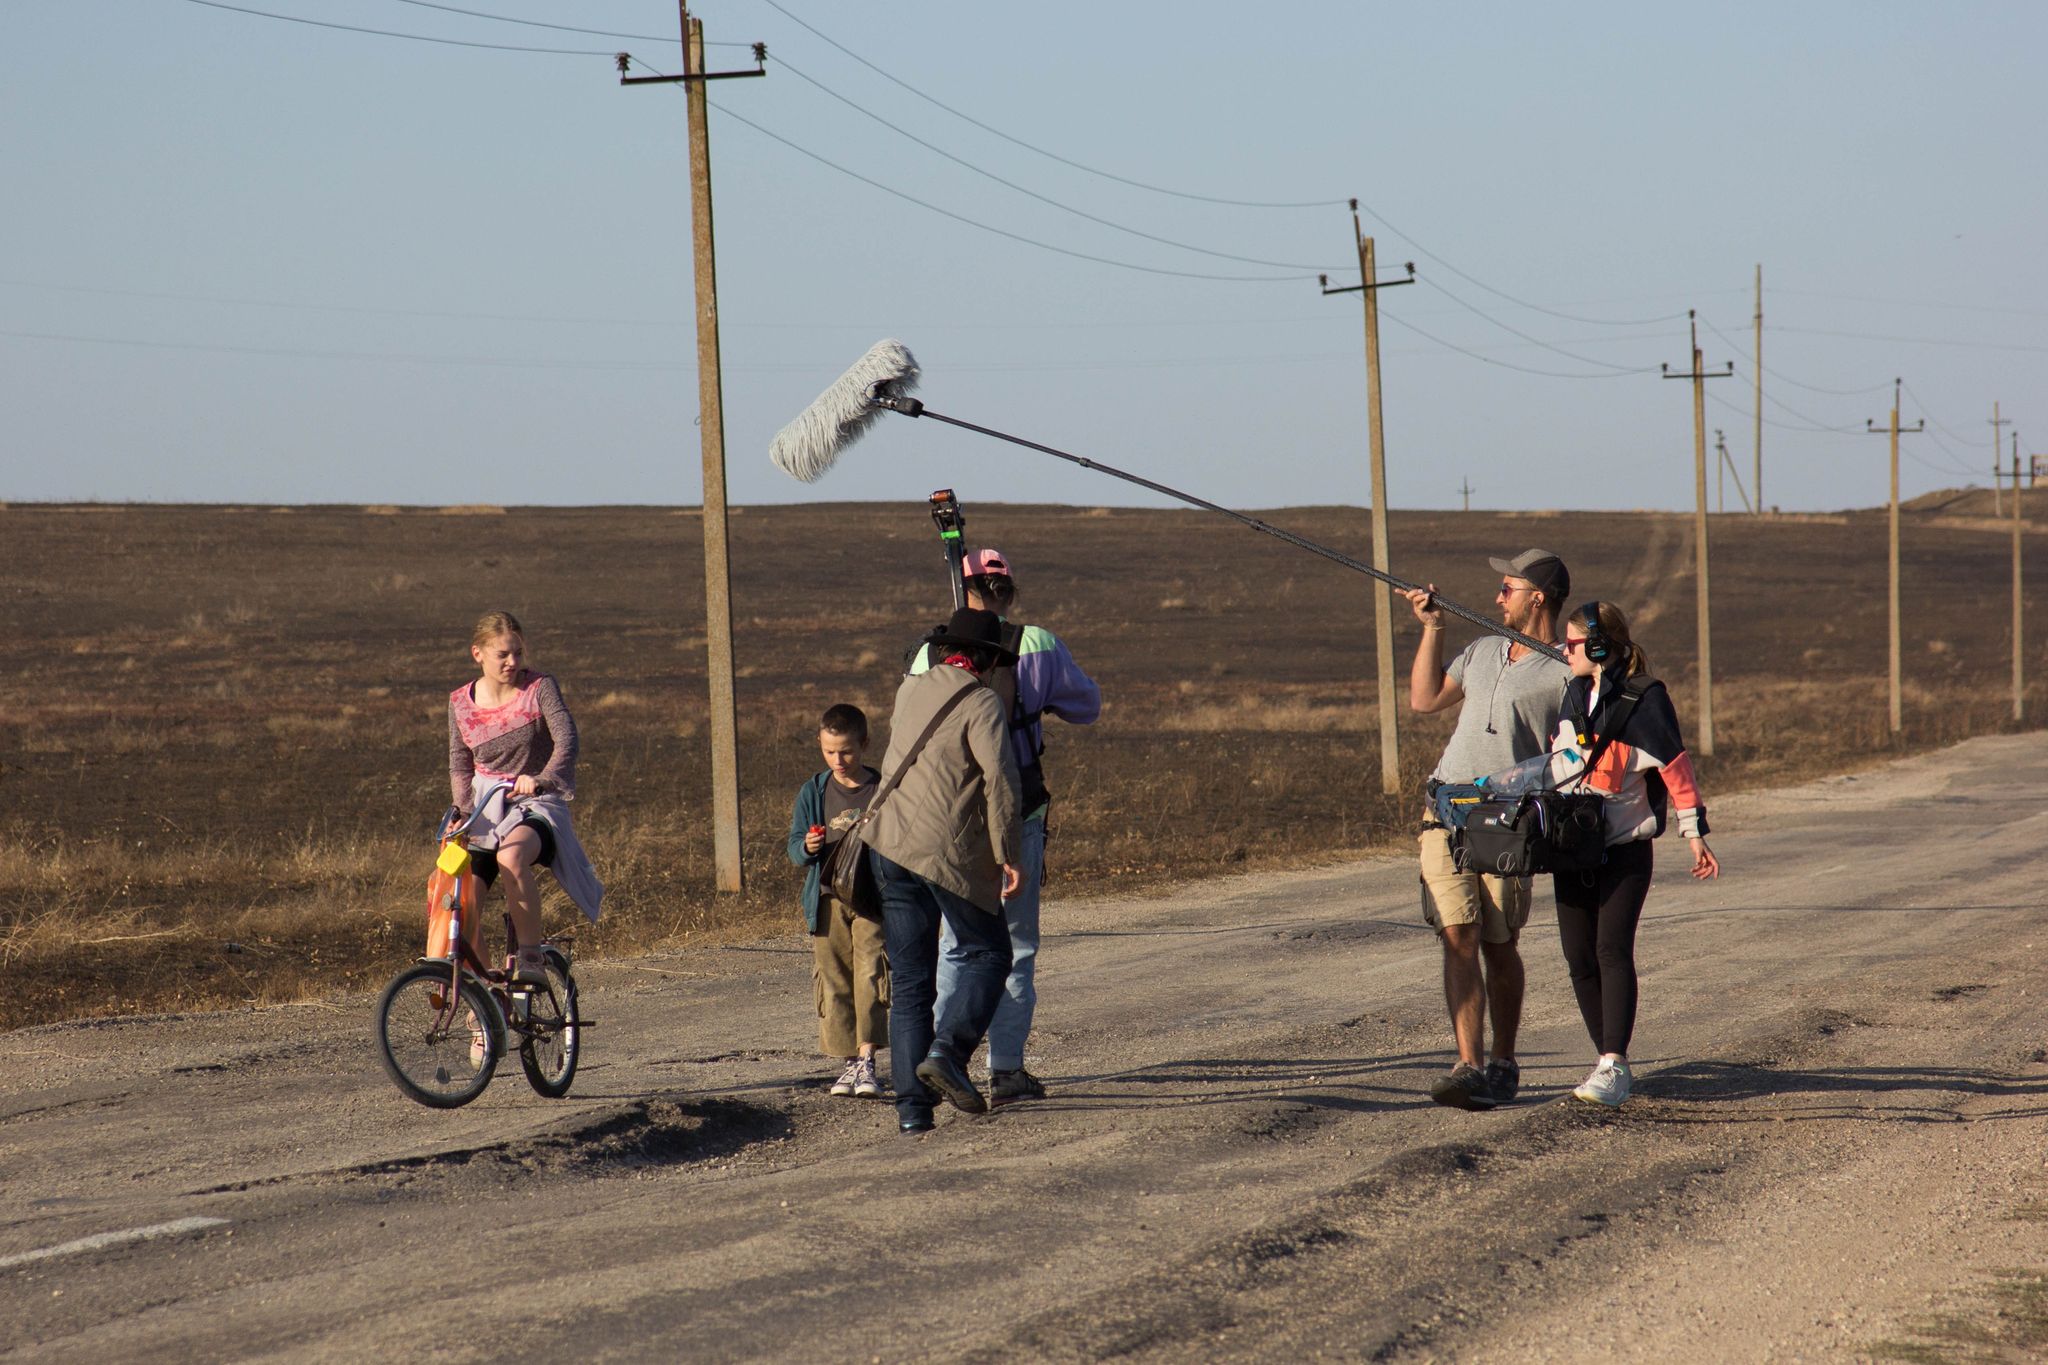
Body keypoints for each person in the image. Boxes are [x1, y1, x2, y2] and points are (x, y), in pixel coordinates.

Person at [913, 548, 1101, 1106]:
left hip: (947, 812)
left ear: (962, 590)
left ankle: (944, 1055)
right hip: (1018, 809)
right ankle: (1007, 1070)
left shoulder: (929, 653)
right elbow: (1087, 707)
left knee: (955, 943)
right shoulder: (1038, 644)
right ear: (1009, 592)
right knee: (1015, 944)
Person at [1401, 549, 1572, 1111]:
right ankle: (1467, 1065)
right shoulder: (1479, 649)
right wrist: (1433, 629)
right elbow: (1424, 700)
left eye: (1508, 588)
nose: (1498, 597)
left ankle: (1503, 1060)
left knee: (1500, 945)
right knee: (1458, 936)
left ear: (1537, 596)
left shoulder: (1567, 670)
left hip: (1508, 820)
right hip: (1445, 809)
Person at [1544, 600, 1719, 1107]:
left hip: (1624, 848)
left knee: (1610, 950)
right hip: (1571, 846)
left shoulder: (1646, 699)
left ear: (1598, 648)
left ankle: (1614, 1064)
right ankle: (1605, 1058)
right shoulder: (1574, 693)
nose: (1563, 650)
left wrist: (1694, 834)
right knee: (1578, 958)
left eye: (1572, 643)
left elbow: (1675, 768)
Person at [865, 607, 1024, 1134]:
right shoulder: (982, 702)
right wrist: (1009, 854)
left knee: (911, 983)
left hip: (887, 843)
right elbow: (1000, 781)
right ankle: (949, 1054)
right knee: (991, 952)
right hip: (942, 850)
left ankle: (913, 1113)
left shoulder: (910, 689)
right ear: (986, 661)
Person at [447, 610, 603, 985]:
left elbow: (567, 739)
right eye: (503, 654)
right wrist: (461, 810)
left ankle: (530, 957)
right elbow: (460, 763)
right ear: (478, 654)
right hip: (486, 809)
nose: (513, 662)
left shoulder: (539, 688)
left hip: (535, 803)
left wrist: (543, 778)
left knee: (511, 855)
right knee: (458, 905)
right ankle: (486, 995)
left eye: (517, 652)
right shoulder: (459, 703)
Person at [786, 704, 888, 1100]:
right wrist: (807, 846)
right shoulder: (814, 791)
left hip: (872, 900)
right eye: (830, 751)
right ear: (820, 745)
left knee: (871, 976)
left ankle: (868, 1060)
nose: (838, 760)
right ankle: (848, 1063)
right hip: (827, 899)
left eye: (846, 751)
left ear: (864, 743)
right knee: (834, 980)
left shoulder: (883, 788)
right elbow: (794, 847)